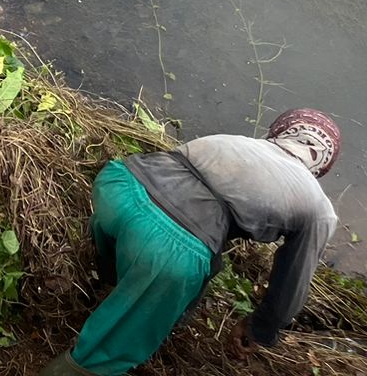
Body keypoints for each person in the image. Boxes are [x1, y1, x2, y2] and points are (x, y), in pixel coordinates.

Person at [43, 109, 342, 376]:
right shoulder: (318, 207)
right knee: (107, 351)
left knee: (197, 260)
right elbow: (291, 285)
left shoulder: (234, 141)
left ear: (279, 132)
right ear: (321, 167)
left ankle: (108, 288)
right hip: (165, 248)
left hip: (118, 185)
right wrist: (259, 328)